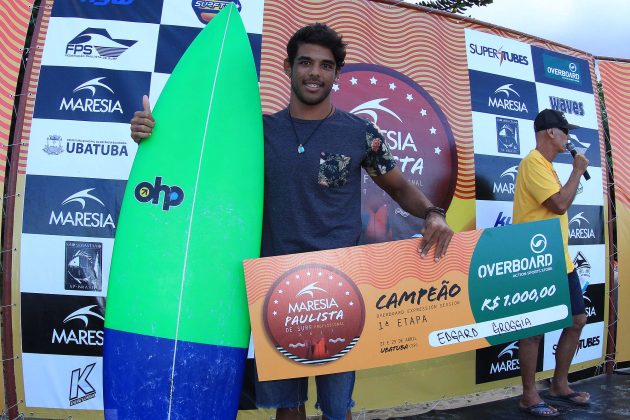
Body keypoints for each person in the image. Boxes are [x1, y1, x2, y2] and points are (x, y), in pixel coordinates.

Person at [131, 23, 453, 420]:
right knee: (287, 408)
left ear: (337, 73)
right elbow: (196, 161)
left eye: (325, 65)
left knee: (338, 408)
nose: (315, 72)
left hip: (339, 288)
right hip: (274, 284)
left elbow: (401, 188)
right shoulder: (255, 133)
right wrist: (153, 135)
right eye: (305, 62)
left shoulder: (360, 134)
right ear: (288, 67)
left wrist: (434, 214)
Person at [513, 109, 591, 417]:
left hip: (559, 259)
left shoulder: (547, 166)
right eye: (565, 131)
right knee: (533, 329)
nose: (569, 138)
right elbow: (558, 204)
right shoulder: (533, 163)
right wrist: (576, 170)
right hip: (535, 261)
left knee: (577, 320)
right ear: (550, 133)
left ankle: (560, 384)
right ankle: (529, 396)